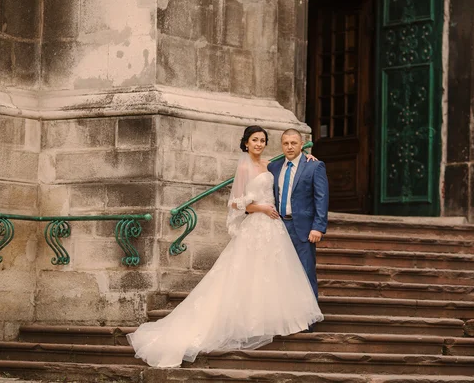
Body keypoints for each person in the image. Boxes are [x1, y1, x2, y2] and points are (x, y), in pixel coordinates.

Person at [127, 125, 323, 368]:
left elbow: (295, 172)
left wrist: (308, 158)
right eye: (255, 140)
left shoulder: (272, 165)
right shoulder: (244, 167)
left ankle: (275, 320)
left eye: (263, 140)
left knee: (273, 276)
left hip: (275, 229)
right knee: (247, 276)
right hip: (258, 225)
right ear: (246, 143)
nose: (259, 144)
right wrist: (260, 208)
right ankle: (245, 323)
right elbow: (235, 203)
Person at [265, 129, 329, 301]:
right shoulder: (274, 167)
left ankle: (309, 320)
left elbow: (321, 198)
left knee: (306, 272)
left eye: (294, 143)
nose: (290, 147)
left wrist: (318, 227)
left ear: (302, 144)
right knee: (280, 273)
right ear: (281, 145)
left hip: (303, 228)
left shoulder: (314, 166)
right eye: (286, 143)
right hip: (279, 226)